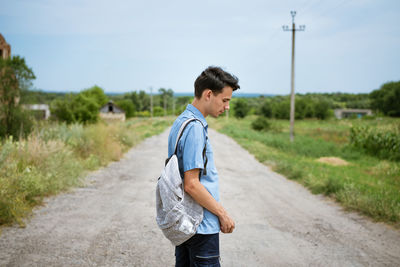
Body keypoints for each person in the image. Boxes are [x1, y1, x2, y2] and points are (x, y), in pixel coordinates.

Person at [167, 66, 240, 266]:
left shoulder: (181, 122)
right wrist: (222, 214)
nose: (227, 107)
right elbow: (192, 184)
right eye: (225, 100)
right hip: (201, 226)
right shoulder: (195, 128)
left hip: (186, 223)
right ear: (209, 94)